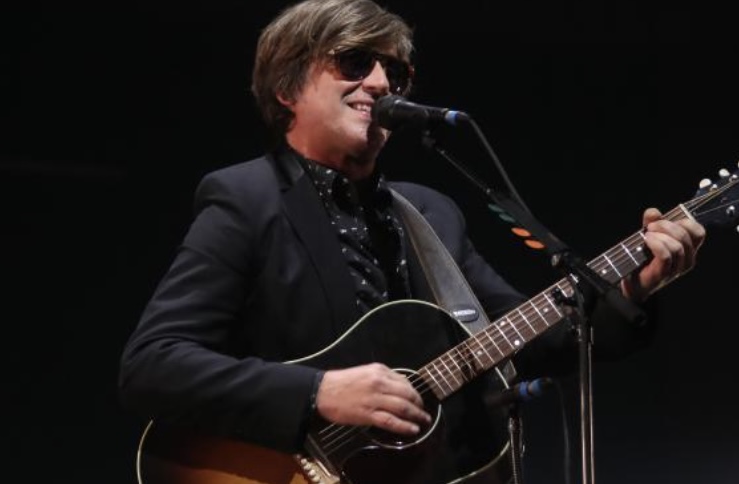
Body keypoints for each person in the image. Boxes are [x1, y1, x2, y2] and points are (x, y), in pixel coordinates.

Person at [117, 0, 705, 482]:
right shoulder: (247, 198)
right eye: (354, 62)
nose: (379, 82)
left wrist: (632, 287)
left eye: (395, 73)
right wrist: (318, 392)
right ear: (287, 89)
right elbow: (152, 365)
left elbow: (526, 341)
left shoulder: (430, 213)